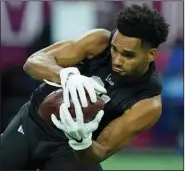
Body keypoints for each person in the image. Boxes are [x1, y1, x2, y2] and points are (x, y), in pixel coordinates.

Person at [1, 4, 169, 170]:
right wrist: (66, 76)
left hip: (69, 149)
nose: (117, 60)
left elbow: (101, 151)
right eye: (114, 49)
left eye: (128, 55)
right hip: (33, 122)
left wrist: (81, 141)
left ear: (151, 54)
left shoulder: (148, 103)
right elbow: (33, 62)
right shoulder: (100, 41)